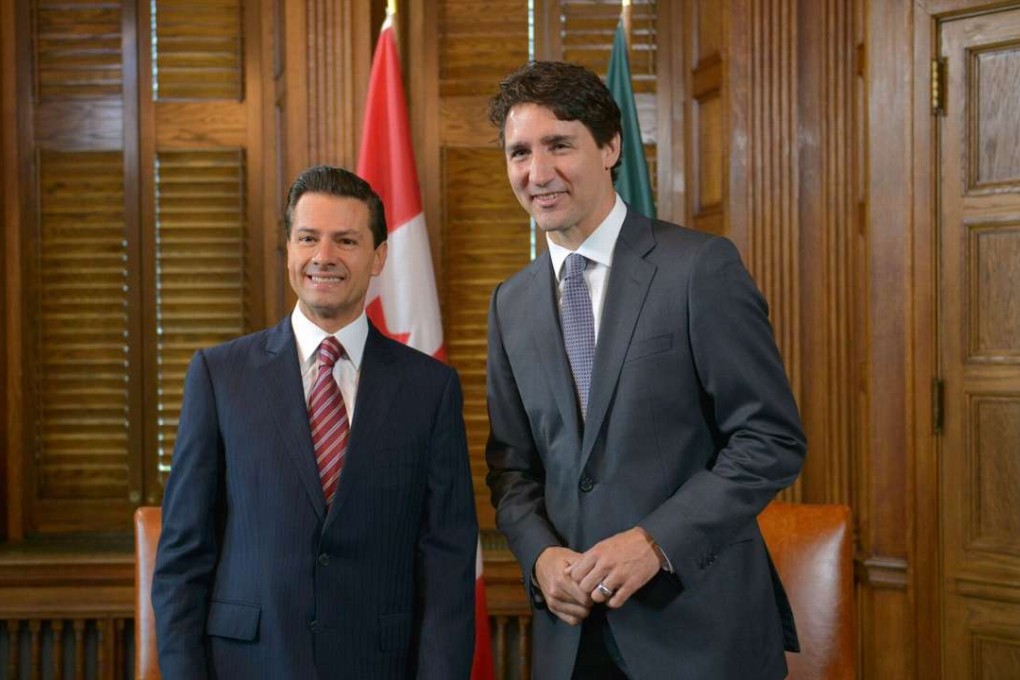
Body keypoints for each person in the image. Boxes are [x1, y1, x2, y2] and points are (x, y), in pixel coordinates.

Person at [484, 61, 807, 680]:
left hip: (700, 634)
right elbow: (512, 469)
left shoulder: (699, 268)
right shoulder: (510, 304)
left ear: (610, 147)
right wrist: (540, 556)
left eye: (559, 145)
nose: (537, 173)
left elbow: (770, 439)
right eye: (519, 152)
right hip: (571, 641)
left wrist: (656, 542)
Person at [152, 165, 478, 679]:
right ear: (288, 249)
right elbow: (182, 558)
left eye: (345, 240)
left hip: (379, 665)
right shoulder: (219, 376)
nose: (323, 256)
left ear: (378, 257)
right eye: (308, 238)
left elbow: (448, 563)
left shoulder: (430, 389)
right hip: (248, 664)